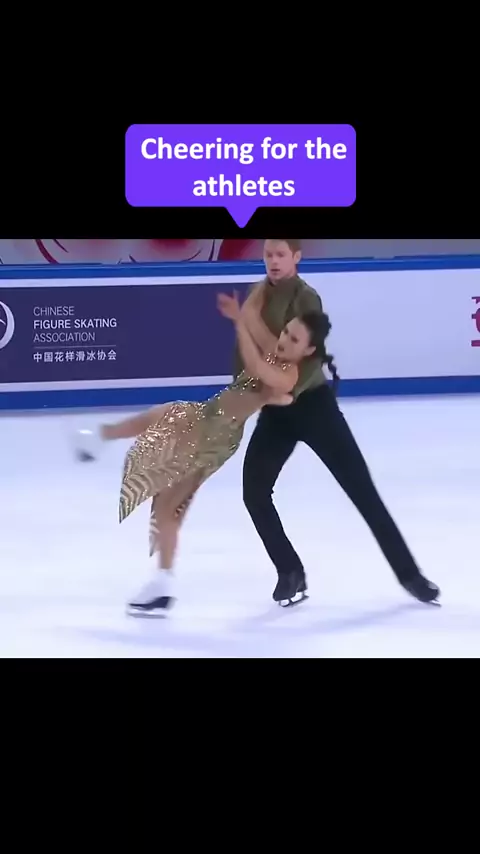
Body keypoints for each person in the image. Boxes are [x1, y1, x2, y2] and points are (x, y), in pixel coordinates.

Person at [74, 301, 336, 616]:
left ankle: (162, 582)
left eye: (294, 339)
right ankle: (100, 437)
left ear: (308, 351)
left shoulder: (287, 374)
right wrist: (244, 316)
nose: (284, 339)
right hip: (208, 416)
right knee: (163, 456)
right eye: (286, 332)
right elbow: (259, 335)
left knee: (168, 499)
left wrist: (239, 324)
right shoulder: (276, 354)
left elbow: (256, 367)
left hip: (216, 433)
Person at [217, 238, 440, 606]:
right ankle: (290, 571)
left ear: (296, 257)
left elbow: (305, 358)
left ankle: (410, 575)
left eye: (280, 254)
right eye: (268, 254)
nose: (273, 261)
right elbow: (245, 351)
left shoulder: (306, 298)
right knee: (254, 492)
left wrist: (282, 387)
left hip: (313, 406)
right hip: (276, 413)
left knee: (362, 491)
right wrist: (249, 389)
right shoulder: (257, 295)